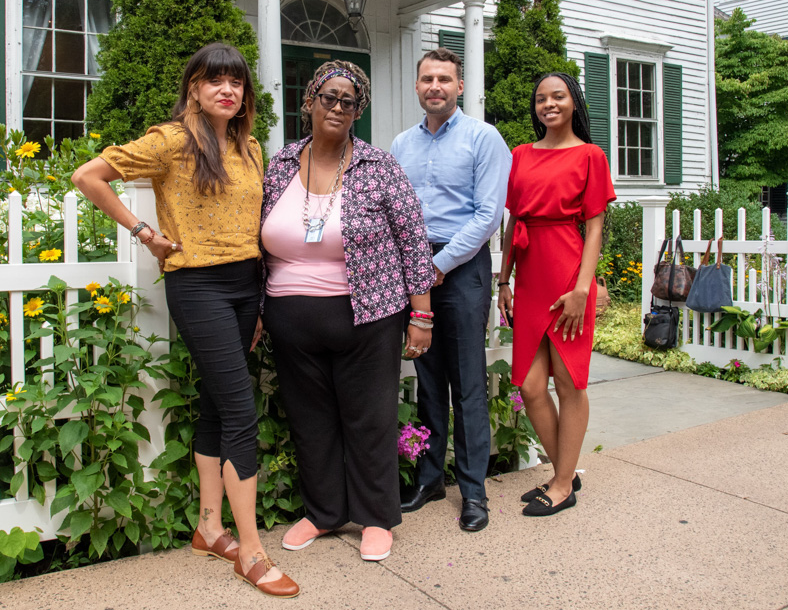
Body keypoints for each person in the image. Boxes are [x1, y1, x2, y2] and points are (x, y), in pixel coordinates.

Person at [71, 43, 299, 598]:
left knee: (220, 406)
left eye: (237, 83)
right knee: (242, 412)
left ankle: (208, 527)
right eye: (215, 81)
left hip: (247, 285)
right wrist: (144, 233)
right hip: (198, 285)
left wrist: (262, 299)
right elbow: (88, 176)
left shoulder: (248, 147)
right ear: (194, 88)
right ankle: (251, 550)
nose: (228, 90)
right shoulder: (171, 140)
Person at [259, 61, 435, 563]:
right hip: (291, 318)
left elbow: (412, 238)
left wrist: (421, 315)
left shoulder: (378, 166)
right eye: (329, 97)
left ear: (358, 111)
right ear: (309, 101)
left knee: (369, 418)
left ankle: (376, 517)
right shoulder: (280, 164)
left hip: (369, 313)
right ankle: (323, 512)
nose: (338, 107)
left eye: (349, 101)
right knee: (311, 420)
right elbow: (256, 238)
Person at [390, 48, 511, 532]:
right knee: (427, 379)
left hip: (461, 269)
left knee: (468, 383)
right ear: (417, 87)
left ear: (459, 87)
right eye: (426, 79)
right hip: (416, 269)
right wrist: (414, 268)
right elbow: (396, 211)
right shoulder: (401, 144)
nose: (434, 86)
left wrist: (436, 265)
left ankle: (474, 492)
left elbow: (488, 215)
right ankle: (429, 477)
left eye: (444, 79)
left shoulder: (484, 138)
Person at [496, 72, 615, 517]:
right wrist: (503, 279)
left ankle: (563, 482)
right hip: (528, 276)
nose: (548, 104)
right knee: (529, 386)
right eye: (540, 97)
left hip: (567, 272)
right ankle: (564, 471)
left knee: (569, 382)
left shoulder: (590, 155)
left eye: (558, 96)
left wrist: (583, 288)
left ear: (573, 103)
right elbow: (512, 222)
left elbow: (596, 226)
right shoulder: (521, 155)